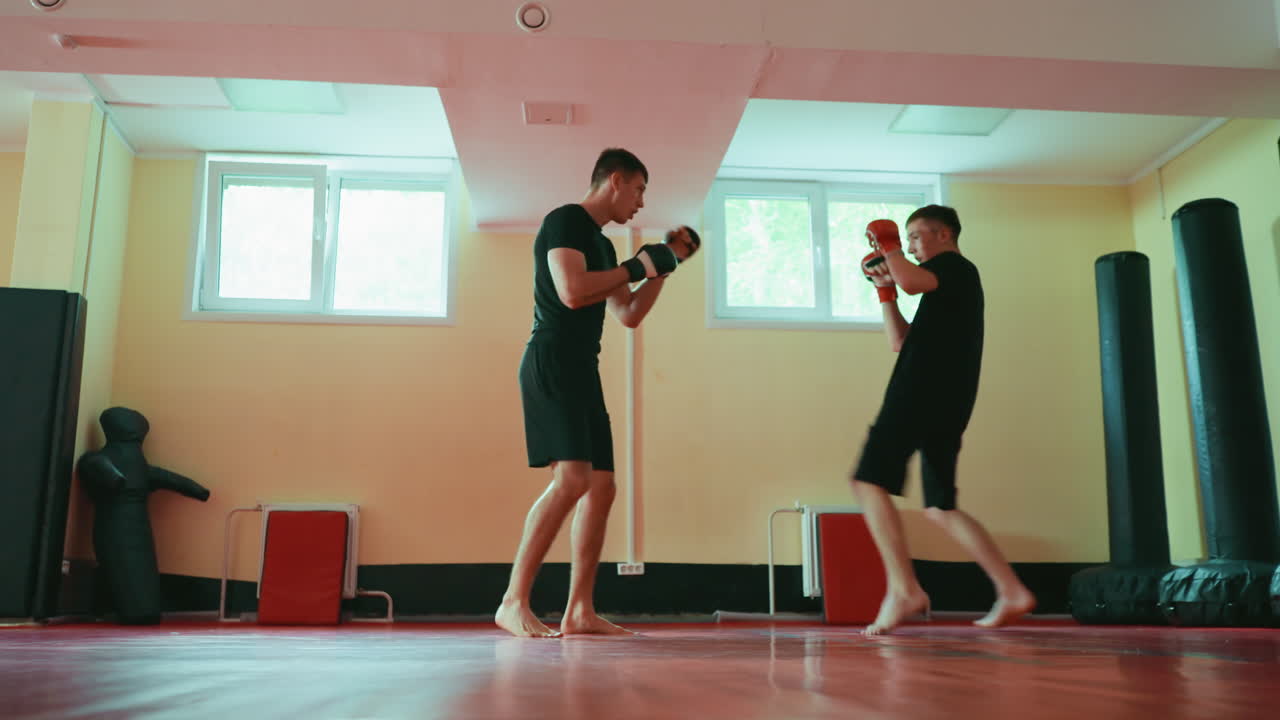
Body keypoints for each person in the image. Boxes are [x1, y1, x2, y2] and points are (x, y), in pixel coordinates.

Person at [496, 148, 700, 638]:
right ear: (615, 180)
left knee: (602, 487)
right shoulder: (565, 221)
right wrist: (638, 265)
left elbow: (627, 314)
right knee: (572, 480)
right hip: (552, 360)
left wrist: (663, 267)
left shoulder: (605, 248)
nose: (641, 203)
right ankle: (512, 601)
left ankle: (579, 611)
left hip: (583, 370)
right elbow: (570, 290)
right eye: (639, 190)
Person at [854, 206, 1034, 635]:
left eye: (916, 237)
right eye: (907, 239)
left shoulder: (955, 267)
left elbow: (912, 279)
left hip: (922, 392)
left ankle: (903, 589)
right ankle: (1011, 590)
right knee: (939, 506)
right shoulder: (942, 287)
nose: (911, 247)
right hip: (944, 399)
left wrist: (889, 244)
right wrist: (885, 292)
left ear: (944, 234)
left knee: (868, 480)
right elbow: (900, 340)